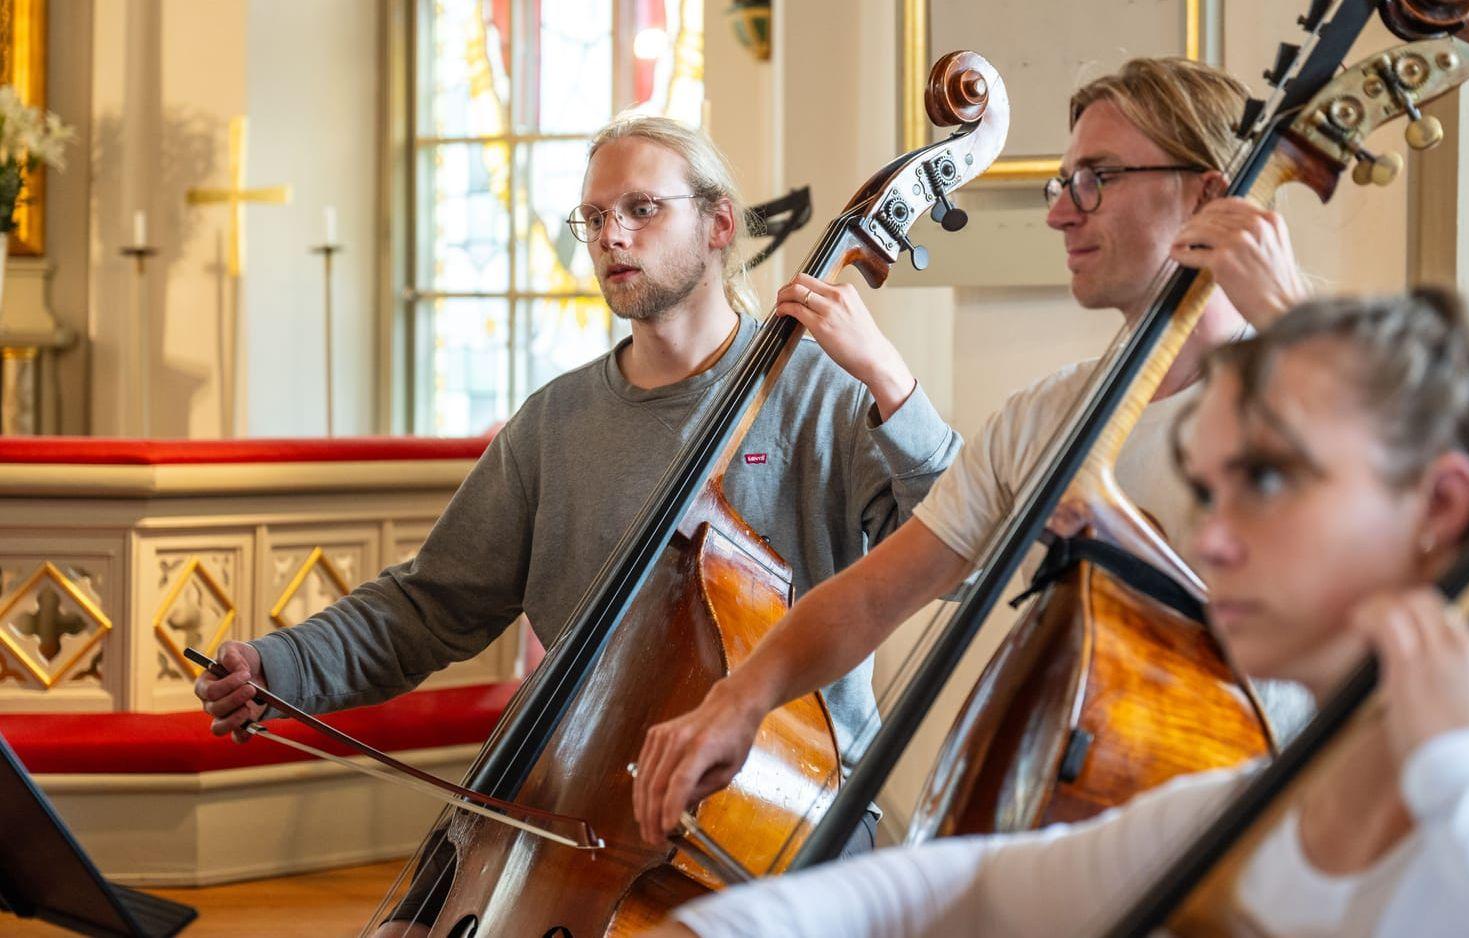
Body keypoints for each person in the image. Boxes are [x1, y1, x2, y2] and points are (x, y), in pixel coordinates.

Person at [193, 115, 959, 934]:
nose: (610, 237)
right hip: (565, 802)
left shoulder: (824, 396)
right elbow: (429, 605)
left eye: (640, 210)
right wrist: (284, 666)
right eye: (593, 219)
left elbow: (964, 557)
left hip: (779, 803)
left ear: (719, 224)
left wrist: (889, 378)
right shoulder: (554, 423)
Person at [646, 287, 1469, 938]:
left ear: (1443, 505)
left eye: (1269, 480)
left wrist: (1457, 773)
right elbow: (968, 887)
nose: (1213, 541)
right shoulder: (1244, 813)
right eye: (1210, 491)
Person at [633, 55, 1312, 846]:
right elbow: (869, 597)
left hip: (1261, 841)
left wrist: (1294, 323)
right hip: (1068, 831)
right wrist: (737, 702)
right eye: (1063, 183)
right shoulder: (1045, 417)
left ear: (1210, 192)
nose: (1061, 213)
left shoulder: (1319, 391)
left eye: (1097, 178)